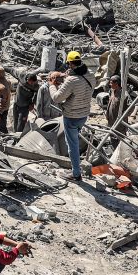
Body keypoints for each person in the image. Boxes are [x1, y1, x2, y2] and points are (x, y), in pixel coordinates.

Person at [51, 52, 94, 181]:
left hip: (71, 116)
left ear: (70, 63)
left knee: (72, 145)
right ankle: (76, 167)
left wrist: (51, 85)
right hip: (84, 114)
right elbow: (81, 87)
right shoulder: (90, 74)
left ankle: (76, 173)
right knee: (74, 141)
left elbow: (57, 98)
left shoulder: (71, 81)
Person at [0, 67, 12, 133]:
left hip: (1, 110)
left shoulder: (2, 87)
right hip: (5, 108)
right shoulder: (7, 81)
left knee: (1, 126)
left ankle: (6, 138)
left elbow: (2, 102)